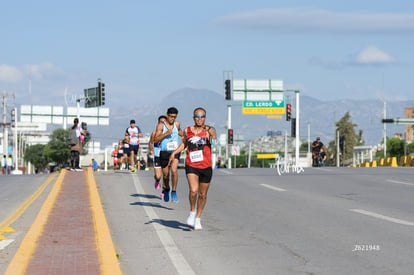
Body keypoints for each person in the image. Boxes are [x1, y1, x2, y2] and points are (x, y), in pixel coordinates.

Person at [169, 107, 217, 230]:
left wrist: (210, 130)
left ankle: (198, 218)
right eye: (197, 116)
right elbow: (184, 144)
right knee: (194, 190)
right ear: (193, 117)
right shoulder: (187, 130)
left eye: (202, 116)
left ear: (205, 118)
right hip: (191, 165)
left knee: (203, 195)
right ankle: (192, 212)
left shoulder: (208, 131)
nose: (199, 119)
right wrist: (174, 153)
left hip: (206, 166)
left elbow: (214, 136)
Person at [153, 107, 183, 202]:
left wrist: (185, 136)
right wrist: (165, 134)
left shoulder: (177, 124)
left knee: (174, 170)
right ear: (167, 115)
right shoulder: (161, 126)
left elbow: (180, 132)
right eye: (171, 117)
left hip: (174, 152)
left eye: (174, 117)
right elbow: (155, 140)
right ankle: (166, 189)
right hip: (164, 152)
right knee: (165, 175)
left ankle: (174, 191)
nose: (172, 119)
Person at [148, 115, 167, 190]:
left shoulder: (169, 133)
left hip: (166, 154)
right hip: (157, 155)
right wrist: (151, 150)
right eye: (160, 122)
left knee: (166, 175)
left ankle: (164, 190)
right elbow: (150, 142)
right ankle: (157, 180)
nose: (162, 124)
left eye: (164, 122)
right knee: (158, 176)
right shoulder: (154, 133)